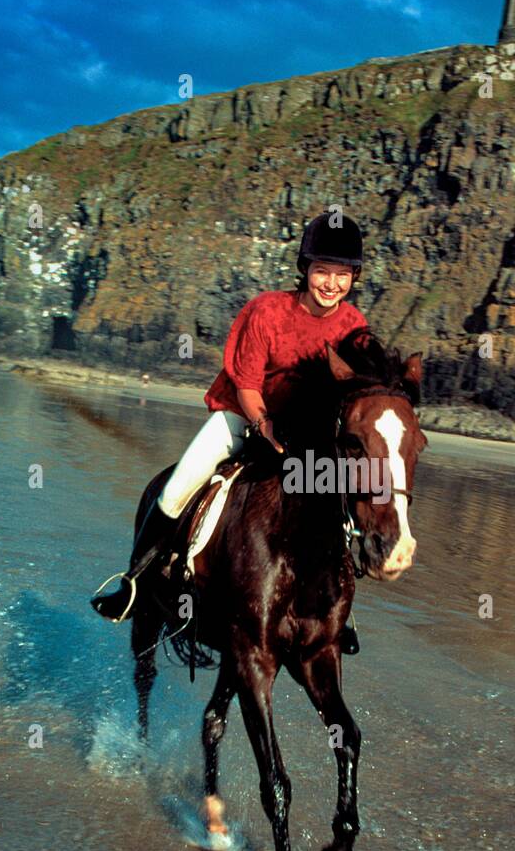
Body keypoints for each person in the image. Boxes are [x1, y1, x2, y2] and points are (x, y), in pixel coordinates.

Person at [91, 211, 368, 652]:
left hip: (308, 434)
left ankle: (336, 609)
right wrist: (266, 427)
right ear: (305, 270)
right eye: (321, 272)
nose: (331, 284)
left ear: (354, 275)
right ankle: (134, 583)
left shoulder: (354, 326)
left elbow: (359, 389)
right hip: (243, 416)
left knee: (341, 501)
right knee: (177, 488)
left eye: (341, 275)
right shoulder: (267, 310)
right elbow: (246, 383)